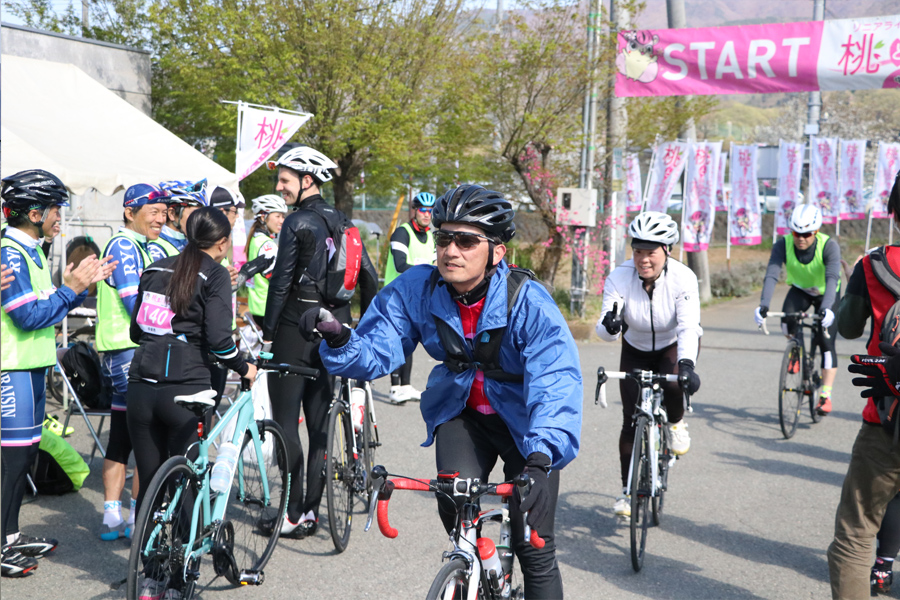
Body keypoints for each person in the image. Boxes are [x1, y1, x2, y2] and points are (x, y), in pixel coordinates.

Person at [304, 184, 582, 598]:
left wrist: (541, 461)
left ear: (497, 252)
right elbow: (377, 349)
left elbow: (555, 381)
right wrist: (340, 338)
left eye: (466, 240)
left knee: (533, 545)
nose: (451, 250)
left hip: (527, 427)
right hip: (463, 415)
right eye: (444, 238)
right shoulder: (419, 288)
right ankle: (474, 569)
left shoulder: (529, 302)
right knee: (456, 510)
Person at [260, 146, 379, 538]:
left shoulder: (298, 221)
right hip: (335, 327)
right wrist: (361, 324)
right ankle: (311, 511)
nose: (280, 187)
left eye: (285, 180)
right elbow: (370, 279)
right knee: (320, 423)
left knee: (284, 421)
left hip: (297, 327)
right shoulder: (343, 220)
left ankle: (292, 511)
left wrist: (269, 332)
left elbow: (280, 283)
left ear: (306, 180)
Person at [1, 169, 114, 577]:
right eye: (54, 209)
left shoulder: (30, 248)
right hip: (10, 366)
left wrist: (68, 286)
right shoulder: (10, 251)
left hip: (29, 364)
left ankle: (9, 535)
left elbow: (39, 301)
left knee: (27, 454)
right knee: (12, 460)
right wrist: (71, 290)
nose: (59, 217)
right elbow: (28, 315)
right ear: (34, 212)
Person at [595, 211, 702, 518]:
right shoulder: (619, 278)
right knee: (630, 421)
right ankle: (628, 492)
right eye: (638, 251)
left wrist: (687, 366)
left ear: (666, 251)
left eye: (650, 252)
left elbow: (688, 328)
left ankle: (676, 422)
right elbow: (602, 333)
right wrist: (611, 326)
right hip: (636, 349)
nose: (643, 259)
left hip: (672, 346)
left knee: (672, 382)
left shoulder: (684, 278)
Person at [828, 172, 900, 599]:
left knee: (855, 534)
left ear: (894, 212)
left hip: (885, 418)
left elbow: (850, 326)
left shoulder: (873, 266)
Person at [96, 183, 169, 541]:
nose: (161, 217)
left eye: (164, 211)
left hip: (129, 347)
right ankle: (140, 515)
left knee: (124, 432)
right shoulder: (124, 244)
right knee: (146, 434)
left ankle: (114, 515)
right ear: (130, 212)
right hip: (127, 348)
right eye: (153, 211)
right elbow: (134, 305)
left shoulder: (143, 244)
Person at [755, 204, 841, 414]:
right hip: (801, 290)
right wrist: (763, 305)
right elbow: (772, 275)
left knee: (826, 340)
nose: (801, 238)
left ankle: (825, 395)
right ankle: (797, 352)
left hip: (826, 293)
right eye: (796, 233)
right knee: (787, 324)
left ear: (816, 231)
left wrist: (828, 308)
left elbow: (832, 278)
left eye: (806, 234)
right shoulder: (782, 245)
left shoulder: (829, 246)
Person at [382, 191, 436, 404]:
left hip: (415, 298)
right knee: (396, 342)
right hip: (395, 296)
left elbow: (435, 268)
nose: (427, 214)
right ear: (414, 211)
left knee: (410, 341)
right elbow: (400, 265)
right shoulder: (402, 233)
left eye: (430, 211)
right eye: (423, 210)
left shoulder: (431, 236)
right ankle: (395, 387)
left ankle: (405, 385)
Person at [245, 194, 286, 327]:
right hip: (268, 307)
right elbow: (277, 278)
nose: (282, 221)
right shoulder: (267, 244)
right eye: (278, 216)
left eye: (283, 216)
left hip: (258, 306)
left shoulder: (255, 239)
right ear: (263, 216)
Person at [147, 180, 208, 261]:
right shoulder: (156, 248)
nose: (200, 219)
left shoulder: (192, 240)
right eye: (194, 214)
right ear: (172, 214)